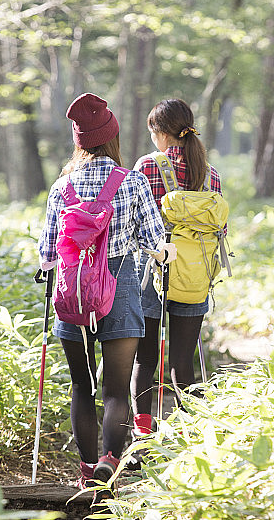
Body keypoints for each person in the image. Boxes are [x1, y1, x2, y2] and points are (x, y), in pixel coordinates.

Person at [37, 93, 175, 502]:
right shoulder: (130, 182)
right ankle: (109, 463)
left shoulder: (62, 186)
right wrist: (164, 255)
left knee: (82, 386)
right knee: (116, 390)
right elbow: (154, 242)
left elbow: (46, 255)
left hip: (72, 296)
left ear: (79, 141)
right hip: (120, 290)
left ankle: (84, 470)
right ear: (112, 138)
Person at [130, 98, 223, 438]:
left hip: (149, 275)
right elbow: (220, 231)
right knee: (182, 364)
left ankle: (143, 437)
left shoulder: (148, 166)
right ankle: (190, 437)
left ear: (163, 134)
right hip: (195, 274)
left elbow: (135, 223)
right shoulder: (210, 173)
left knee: (145, 360)